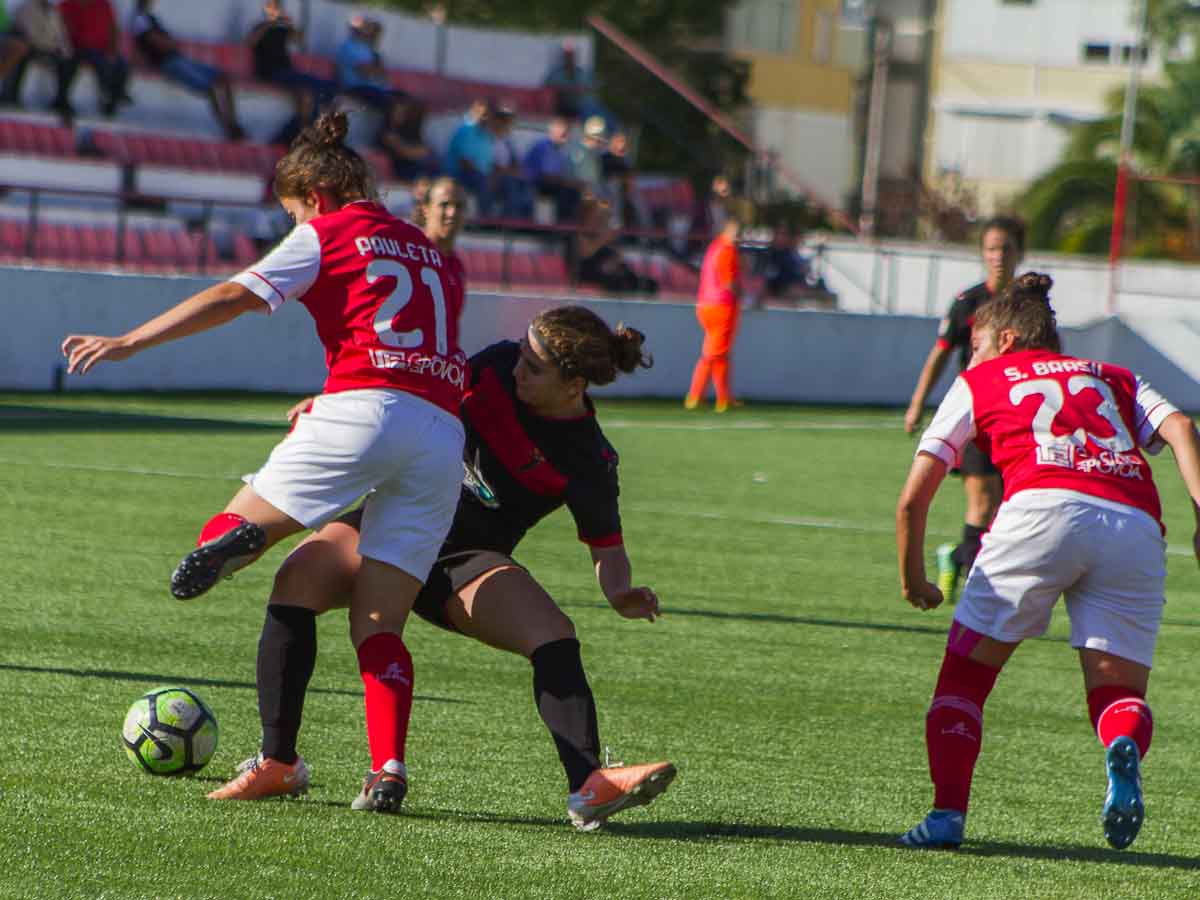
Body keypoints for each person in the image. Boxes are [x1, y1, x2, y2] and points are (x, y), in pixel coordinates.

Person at [61, 111, 468, 815]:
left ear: (312, 192)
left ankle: (237, 537)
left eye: (289, 210)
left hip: (360, 409)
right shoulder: (429, 249)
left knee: (220, 537)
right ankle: (387, 769)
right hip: (438, 433)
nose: (291, 222)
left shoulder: (328, 232)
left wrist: (128, 342)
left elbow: (232, 296)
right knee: (378, 622)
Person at [211, 300, 677, 832]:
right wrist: (335, 409)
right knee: (297, 578)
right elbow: (416, 395)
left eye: (533, 367)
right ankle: (278, 762)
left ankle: (588, 784)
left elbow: (606, 549)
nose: (517, 367)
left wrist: (620, 595)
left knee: (554, 635)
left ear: (574, 387)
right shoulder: (500, 365)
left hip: (465, 560)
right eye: (521, 354)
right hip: (394, 522)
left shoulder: (589, 459)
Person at [896, 272, 1200, 852]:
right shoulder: (1112, 375)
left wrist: (915, 581)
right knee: (1117, 695)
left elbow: (914, 497)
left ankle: (946, 817)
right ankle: (1125, 745)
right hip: (1133, 524)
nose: (973, 353)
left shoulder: (981, 378)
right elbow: (1182, 427)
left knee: (964, 681)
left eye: (977, 343)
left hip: (1040, 510)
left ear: (1005, 340)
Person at [904, 216, 1025, 601]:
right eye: (991, 248)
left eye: (1005, 248)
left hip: (1020, 419)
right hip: (978, 417)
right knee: (984, 500)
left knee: (1009, 511)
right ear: (982, 254)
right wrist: (917, 404)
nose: (998, 256)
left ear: (1019, 252)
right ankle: (978, 592)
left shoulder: (1030, 305)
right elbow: (940, 355)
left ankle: (957, 555)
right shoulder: (968, 303)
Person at [130, 0, 244, 140]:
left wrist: (169, 43)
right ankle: (227, 127)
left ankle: (232, 122)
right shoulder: (140, 20)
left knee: (222, 78)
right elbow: (155, 41)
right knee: (210, 87)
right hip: (167, 62)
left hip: (178, 59)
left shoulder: (150, 18)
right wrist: (168, 43)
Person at [247, 0, 336, 146]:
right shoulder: (260, 26)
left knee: (327, 88)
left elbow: (301, 42)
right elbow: (250, 43)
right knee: (308, 95)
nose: (276, 10)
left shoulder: (283, 29)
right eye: (272, 7)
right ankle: (299, 131)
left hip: (287, 71)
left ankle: (309, 128)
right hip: (270, 72)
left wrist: (290, 24)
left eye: (277, 7)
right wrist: (269, 24)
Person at [685, 215, 742, 412]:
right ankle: (696, 395)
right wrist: (745, 297)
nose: (739, 237)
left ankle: (723, 398)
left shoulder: (714, 247)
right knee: (713, 354)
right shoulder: (727, 250)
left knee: (719, 354)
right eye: (737, 232)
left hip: (705, 304)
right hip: (721, 306)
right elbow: (729, 282)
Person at [0, 0, 75, 117]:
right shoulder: (27, 7)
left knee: (67, 62)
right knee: (21, 54)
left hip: (48, 49)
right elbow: (29, 33)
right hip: (33, 47)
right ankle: (10, 96)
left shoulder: (54, 12)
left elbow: (61, 34)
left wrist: (65, 51)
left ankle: (61, 99)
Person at [574, 192, 654, 295]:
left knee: (648, 283)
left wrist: (615, 260)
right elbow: (587, 253)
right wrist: (604, 238)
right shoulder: (580, 236)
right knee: (617, 282)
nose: (603, 222)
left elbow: (615, 257)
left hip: (609, 271)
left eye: (605, 219)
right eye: (600, 218)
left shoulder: (602, 236)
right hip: (589, 273)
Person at [58, 0, 129, 117]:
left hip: (101, 49)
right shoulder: (67, 5)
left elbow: (114, 30)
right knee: (68, 63)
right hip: (77, 48)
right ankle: (63, 101)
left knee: (122, 65)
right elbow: (60, 29)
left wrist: (112, 51)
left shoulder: (104, 5)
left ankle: (112, 101)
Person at [523, 116, 585, 223]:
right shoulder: (543, 146)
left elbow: (561, 174)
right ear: (553, 131)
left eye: (567, 133)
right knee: (566, 193)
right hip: (536, 182)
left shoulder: (561, 150)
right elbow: (547, 176)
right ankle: (560, 228)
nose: (566, 137)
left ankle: (568, 228)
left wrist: (574, 183)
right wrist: (568, 183)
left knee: (576, 192)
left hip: (552, 183)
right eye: (563, 133)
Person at [335, 14, 396, 115]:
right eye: (365, 28)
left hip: (371, 87)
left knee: (404, 100)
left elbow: (383, 73)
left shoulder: (368, 49)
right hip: (354, 87)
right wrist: (377, 70)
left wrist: (376, 67)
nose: (368, 31)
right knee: (393, 104)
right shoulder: (348, 46)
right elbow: (366, 71)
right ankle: (387, 130)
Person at [376, 94, 439, 181]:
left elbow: (424, 152)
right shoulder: (387, 132)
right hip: (401, 170)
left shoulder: (413, 128)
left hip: (417, 168)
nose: (400, 113)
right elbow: (407, 151)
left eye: (405, 111)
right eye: (397, 110)